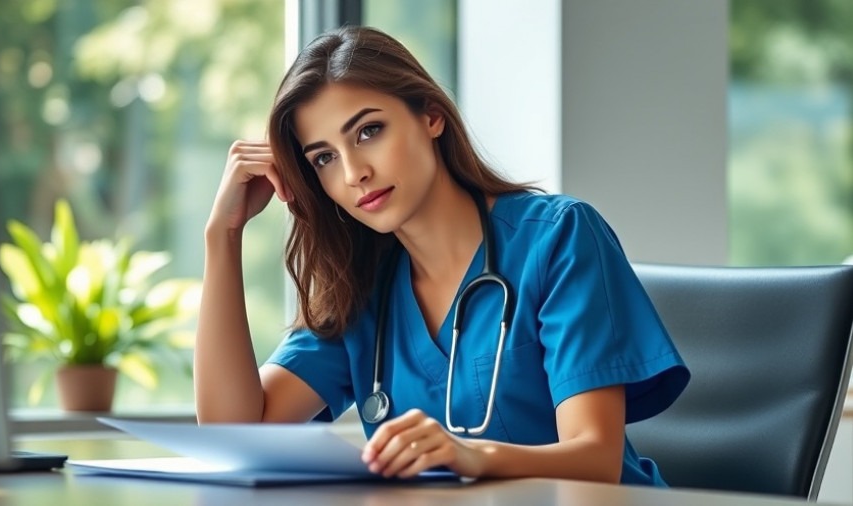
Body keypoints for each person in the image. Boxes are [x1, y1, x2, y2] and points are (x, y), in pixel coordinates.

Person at [195, 25, 689, 486]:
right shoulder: (364, 287)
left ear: (431, 116)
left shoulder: (558, 237)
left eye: (368, 131)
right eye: (324, 157)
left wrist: (470, 455)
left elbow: (596, 459)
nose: (353, 173)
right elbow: (233, 434)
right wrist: (223, 234)